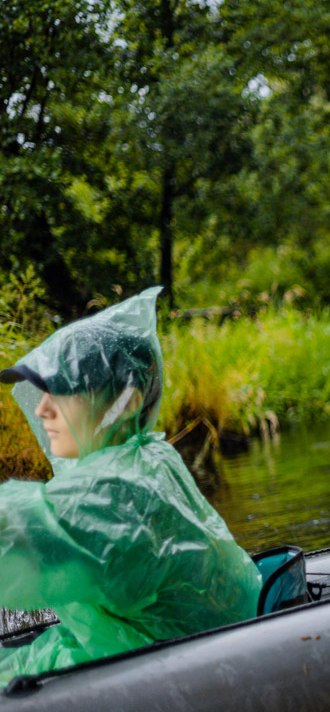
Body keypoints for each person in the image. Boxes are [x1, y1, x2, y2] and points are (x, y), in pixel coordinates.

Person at [0, 288, 261, 684]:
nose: (42, 409)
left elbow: (20, 532)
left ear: (128, 401)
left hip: (183, 680)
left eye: (63, 391)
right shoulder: (149, 459)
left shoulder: (120, 490)